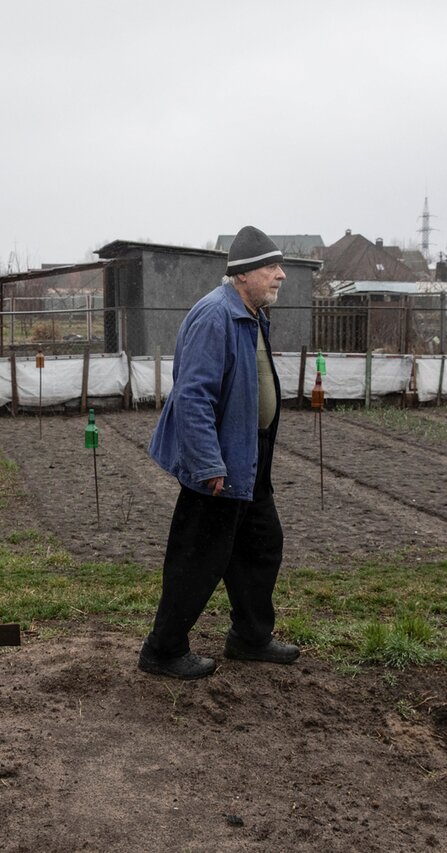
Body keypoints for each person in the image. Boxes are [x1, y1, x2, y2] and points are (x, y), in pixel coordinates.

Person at [139, 225, 301, 680]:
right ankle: (163, 650)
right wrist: (209, 463)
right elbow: (193, 397)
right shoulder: (216, 316)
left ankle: (250, 637)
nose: (281, 275)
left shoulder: (249, 313)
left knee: (261, 546)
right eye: (272, 267)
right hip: (220, 461)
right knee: (198, 557)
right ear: (245, 273)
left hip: (249, 455)